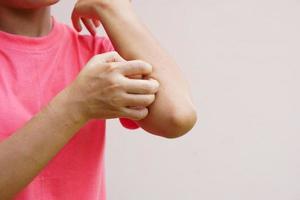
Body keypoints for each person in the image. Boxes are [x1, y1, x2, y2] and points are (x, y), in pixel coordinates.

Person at [0, 0, 197, 199]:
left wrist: (113, 8)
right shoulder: (96, 71)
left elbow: (177, 116)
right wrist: (75, 106)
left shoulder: (95, 55)